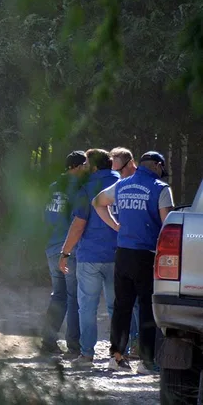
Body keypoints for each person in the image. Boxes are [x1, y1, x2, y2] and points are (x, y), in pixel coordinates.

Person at [93, 151, 174, 375]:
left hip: (123, 254)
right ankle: (146, 362)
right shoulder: (161, 188)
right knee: (147, 308)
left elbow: (97, 202)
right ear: (157, 166)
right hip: (147, 254)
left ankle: (116, 357)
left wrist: (116, 225)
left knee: (122, 307)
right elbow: (168, 224)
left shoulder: (122, 185)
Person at [58, 148, 119, 368]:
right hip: (119, 255)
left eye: (85, 163)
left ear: (93, 167)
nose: (83, 167)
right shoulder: (124, 184)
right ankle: (120, 353)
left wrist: (65, 252)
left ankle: (87, 355)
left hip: (90, 257)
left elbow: (78, 225)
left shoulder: (87, 189)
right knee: (117, 307)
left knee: (88, 306)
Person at [39, 151, 88, 357]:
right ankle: (74, 346)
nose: (87, 168)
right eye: (85, 164)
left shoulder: (52, 188)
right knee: (74, 297)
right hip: (69, 251)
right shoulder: (78, 189)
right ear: (76, 166)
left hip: (51, 248)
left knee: (58, 296)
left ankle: (48, 342)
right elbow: (79, 221)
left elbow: (45, 218)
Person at [110, 146, 141, 358]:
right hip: (125, 249)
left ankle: (138, 347)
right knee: (126, 305)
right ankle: (122, 351)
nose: (118, 175)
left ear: (130, 163)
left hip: (144, 250)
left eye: (120, 170)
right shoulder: (120, 185)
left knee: (140, 306)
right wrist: (116, 226)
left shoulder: (145, 183)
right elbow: (98, 203)